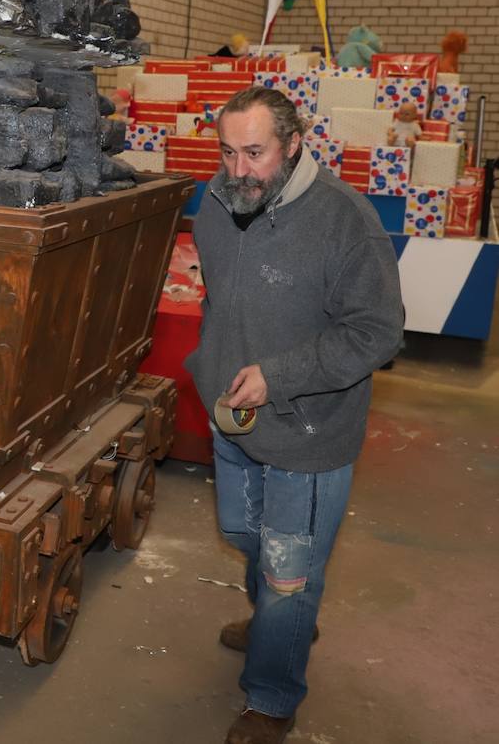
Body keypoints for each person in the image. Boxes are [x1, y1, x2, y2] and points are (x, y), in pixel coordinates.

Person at [184, 86, 403, 744]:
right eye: (228, 151)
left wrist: (277, 376)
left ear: (293, 143)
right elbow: (223, 299)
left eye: (255, 152)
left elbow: (377, 332)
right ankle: (280, 614)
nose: (238, 169)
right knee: (246, 535)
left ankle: (272, 697)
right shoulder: (218, 207)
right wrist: (210, 364)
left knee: (286, 564)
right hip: (233, 420)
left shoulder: (345, 221)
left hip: (310, 432)